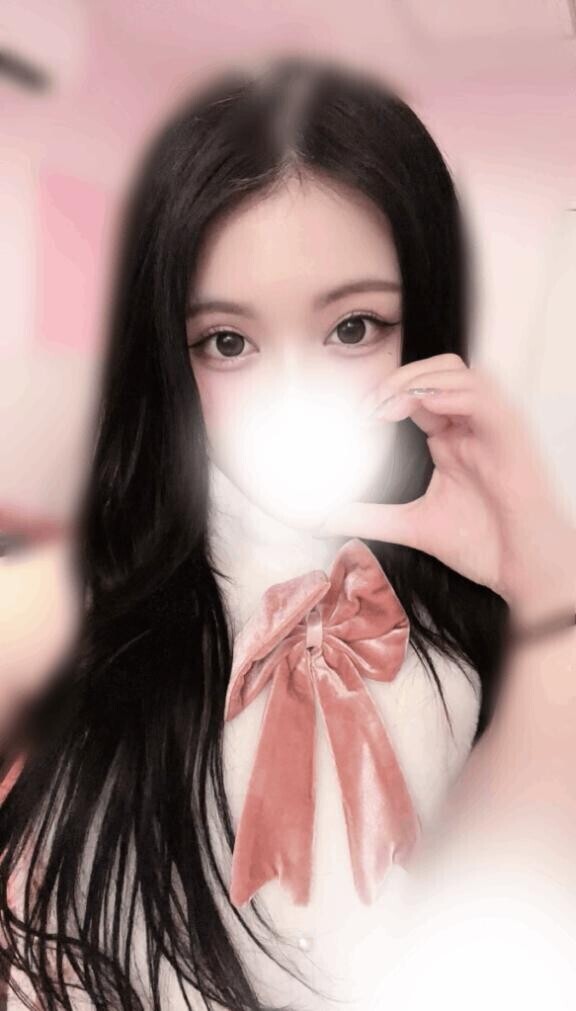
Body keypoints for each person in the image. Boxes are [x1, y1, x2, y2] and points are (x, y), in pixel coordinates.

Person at [0, 54, 574, 1010]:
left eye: (353, 328)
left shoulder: (491, 639)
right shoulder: (72, 615)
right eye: (229, 342)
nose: (293, 393)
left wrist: (548, 586)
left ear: (423, 326)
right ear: (173, 358)